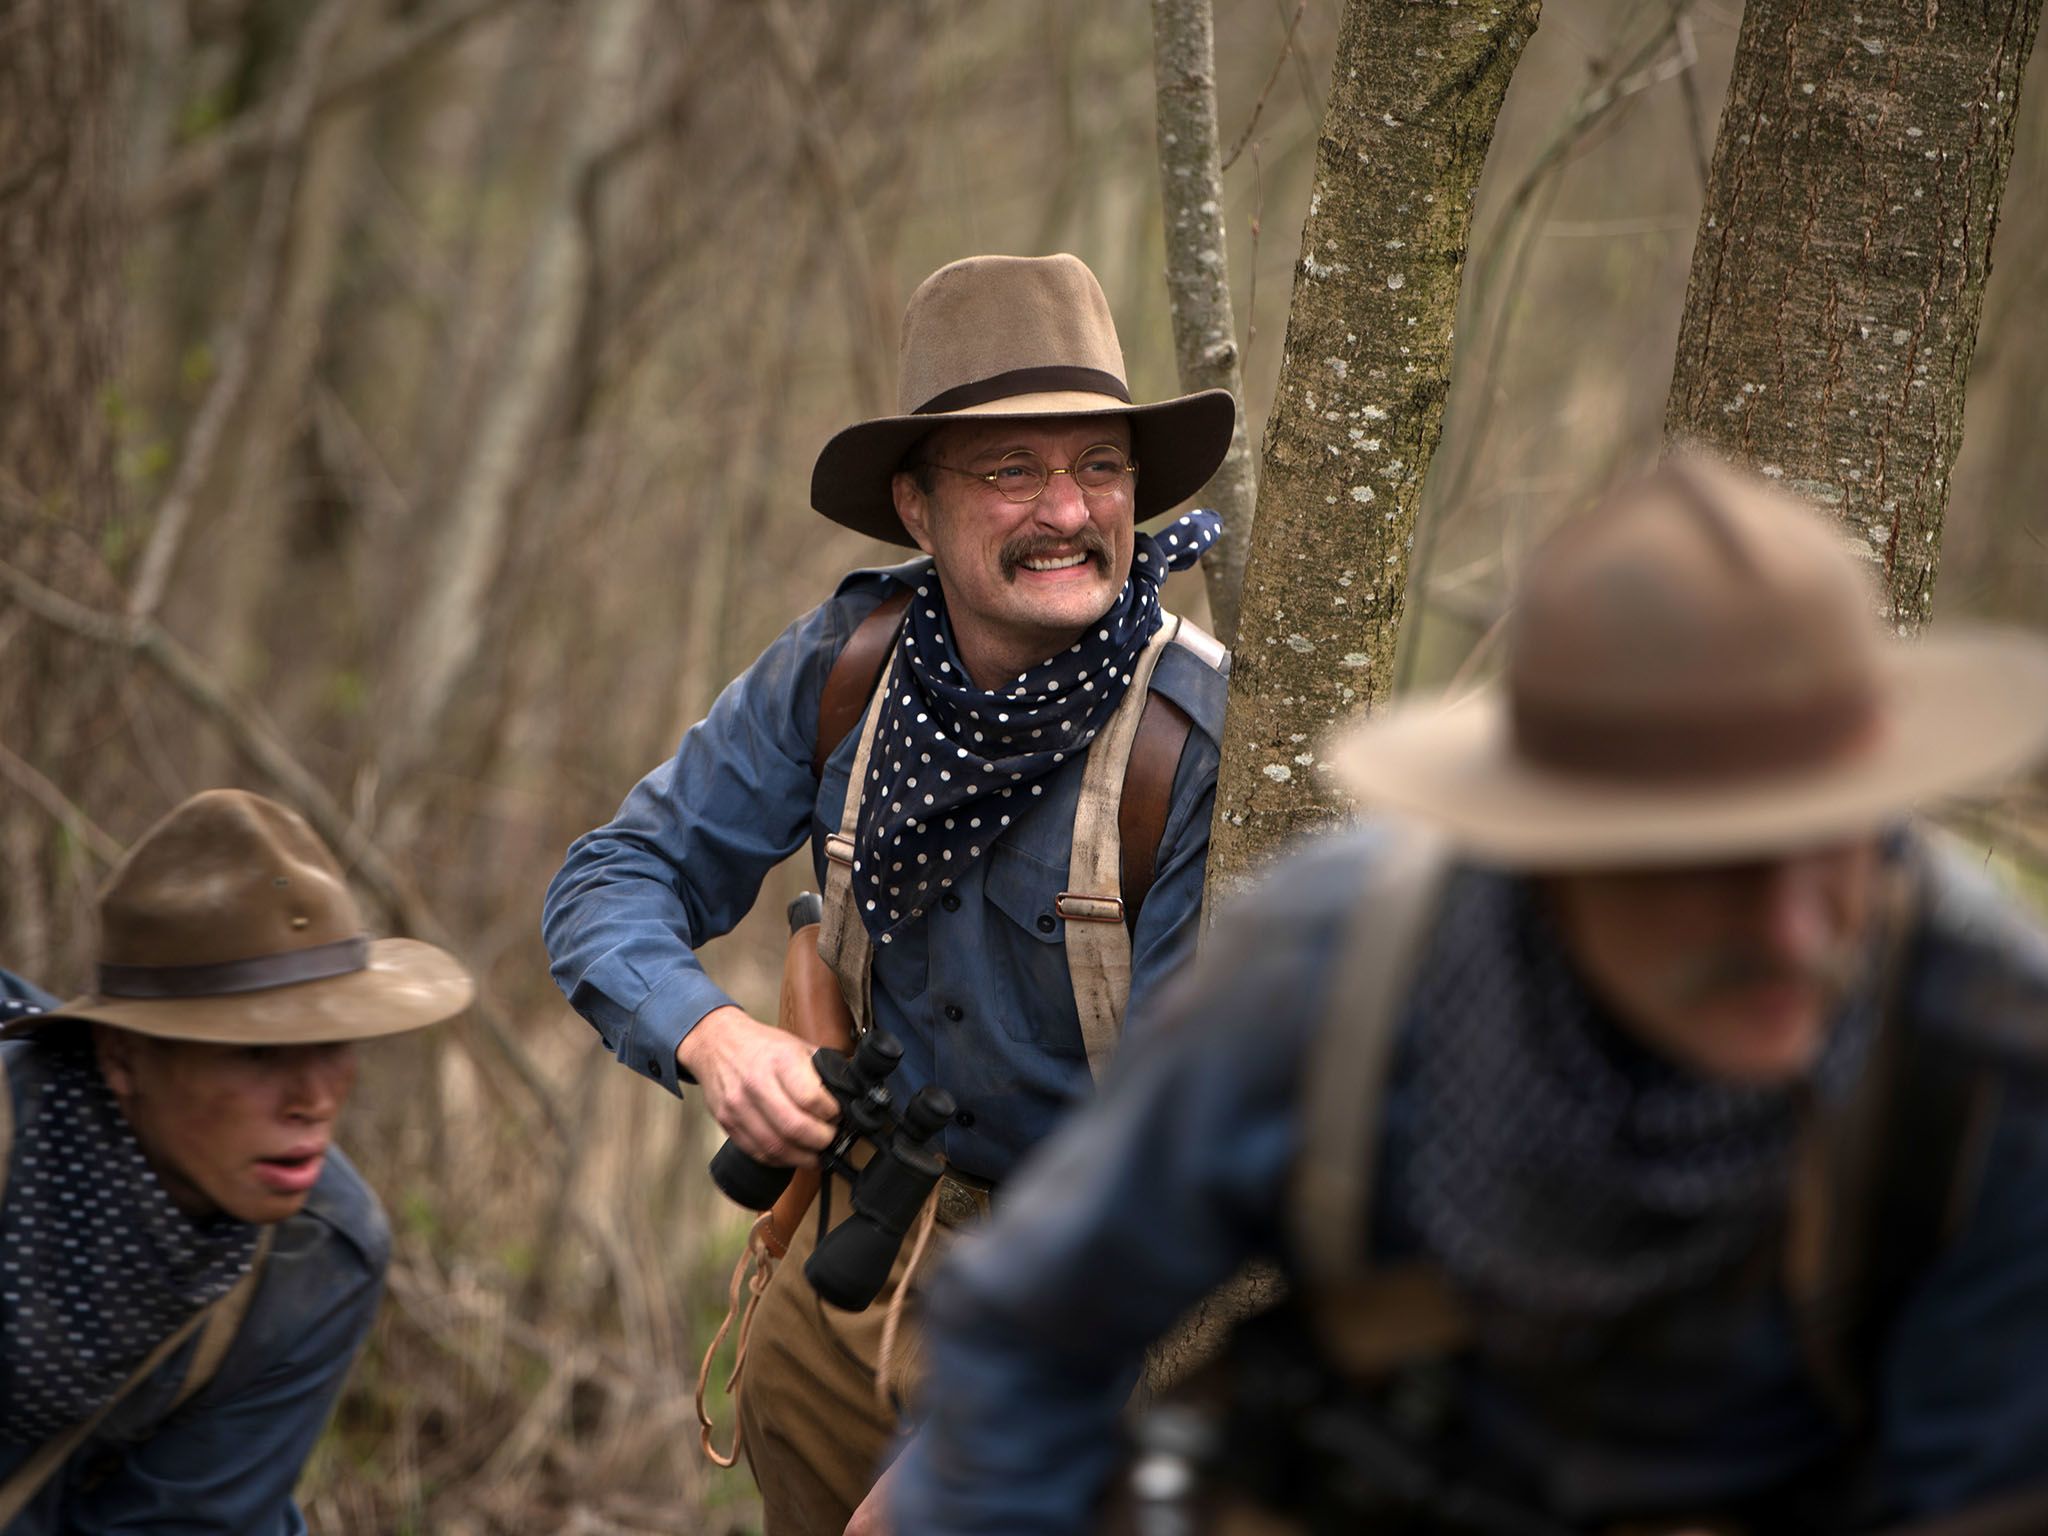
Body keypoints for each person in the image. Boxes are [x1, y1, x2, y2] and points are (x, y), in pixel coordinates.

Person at [892, 458, 2048, 1536]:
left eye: (1835, 843)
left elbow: (1981, 1488)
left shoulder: (1976, 1051)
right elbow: (1035, 1337)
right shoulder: (1340, 977)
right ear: (1548, 852)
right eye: (1713, 867)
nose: (1794, 932)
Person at [542, 252, 1238, 1531]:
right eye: (1009, 470)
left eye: (1097, 466)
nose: (1067, 513)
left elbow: (1181, 1162)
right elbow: (611, 879)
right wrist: (714, 1038)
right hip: (860, 1244)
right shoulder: (848, 669)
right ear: (915, 509)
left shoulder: (1188, 748)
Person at [0, 789, 473, 1532]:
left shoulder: (321, 1254)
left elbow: (191, 1520)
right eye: (259, 1052)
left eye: (334, 1046)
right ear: (122, 1056)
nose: (314, 1098)